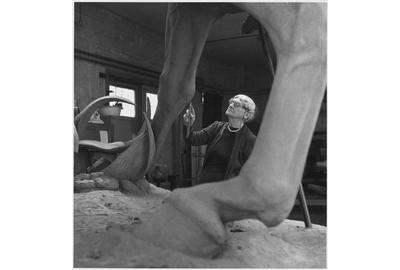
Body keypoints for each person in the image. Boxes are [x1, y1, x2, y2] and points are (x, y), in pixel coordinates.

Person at [183, 94, 257, 184]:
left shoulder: (249, 139)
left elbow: (250, 173)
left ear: (246, 114)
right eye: (231, 102)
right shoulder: (217, 127)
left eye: (236, 104)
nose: (231, 105)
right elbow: (193, 139)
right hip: (205, 185)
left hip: (226, 192)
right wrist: (188, 125)